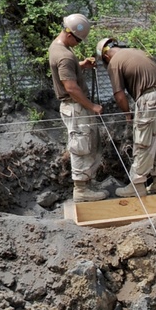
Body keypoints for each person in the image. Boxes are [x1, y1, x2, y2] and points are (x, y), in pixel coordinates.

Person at [96, 39, 156, 198]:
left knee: (143, 142)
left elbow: (119, 96)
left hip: (151, 99)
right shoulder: (137, 51)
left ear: (105, 56)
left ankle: (137, 185)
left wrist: (127, 113)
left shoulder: (114, 62)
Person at [48, 13, 105, 203]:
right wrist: (92, 106)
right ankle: (81, 189)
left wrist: (82, 65)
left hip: (76, 106)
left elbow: (67, 72)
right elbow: (70, 87)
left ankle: (88, 182)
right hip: (75, 107)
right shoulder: (63, 55)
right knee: (80, 145)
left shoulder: (58, 47)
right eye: (79, 40)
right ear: (70, 34)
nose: (79, 44)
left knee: (88, 143)